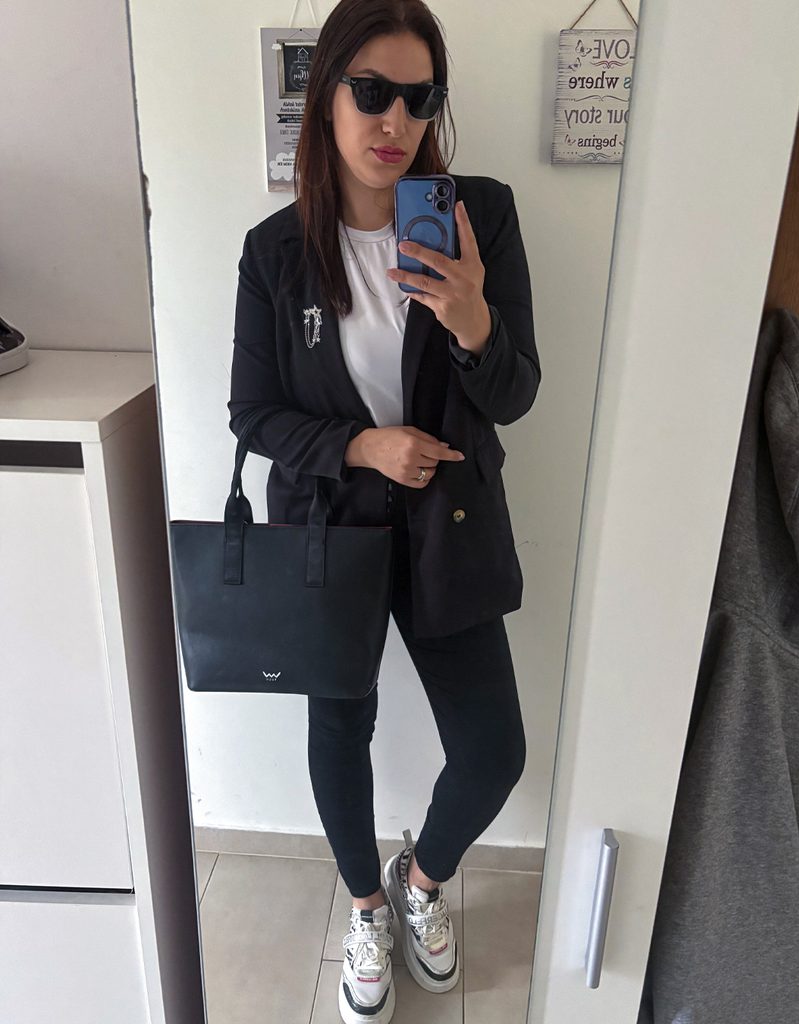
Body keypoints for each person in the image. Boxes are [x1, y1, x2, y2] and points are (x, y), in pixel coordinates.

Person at [227, 1, 540, 1020]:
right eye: (371, 92)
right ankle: (365, 906)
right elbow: (252, 412)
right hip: (331, 533)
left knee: (492, 750)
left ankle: (421, 882)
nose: (394, 119)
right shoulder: (277, 251)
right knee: (338, 728)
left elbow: (515, 392)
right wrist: (362, 445)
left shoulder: (477, 216)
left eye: (418, 96)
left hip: (450, 526)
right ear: (326, 98)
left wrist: (473, 318)